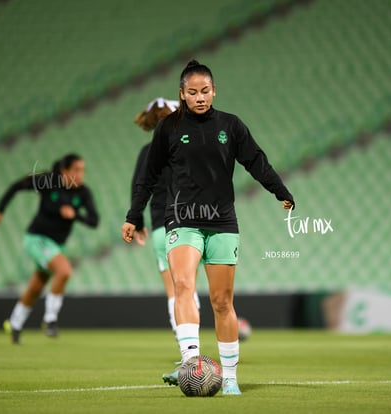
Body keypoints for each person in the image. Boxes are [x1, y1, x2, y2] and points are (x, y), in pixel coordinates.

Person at [122, 60, 295, 395]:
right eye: (192, 92)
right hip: (182, 219)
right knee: (184, 285)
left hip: (222, 222)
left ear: (214, 91)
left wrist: (281, 192)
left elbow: (256, 161)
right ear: (182, 95)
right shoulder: (169, 129)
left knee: (221, 301)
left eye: (205, 91)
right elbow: (148, 176)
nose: (199, 97)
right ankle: (192, 362)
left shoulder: (231, 125)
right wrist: (133, 215)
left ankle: (229, 376)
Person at [0, 153, 99, 344]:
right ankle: (50, 320)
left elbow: (94, 221)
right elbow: (17, 186)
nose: (81, 174)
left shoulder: (83, 192)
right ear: (64, 171)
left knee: (36, 286)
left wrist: (75, 215)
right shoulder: (49, 182)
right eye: (76, 170)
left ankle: (14, 324)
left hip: (56, 245)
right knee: (64, 271)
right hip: (37, 238)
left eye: (82, 170)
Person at [132, 97, 200, 344]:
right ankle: (193, 350)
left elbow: (139, 188)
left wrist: (136, 222)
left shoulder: (147, 152)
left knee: (175, 290)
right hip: (193, 222)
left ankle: (187, 351)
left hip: (162, 225)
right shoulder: (186, 147)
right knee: (189, 286)